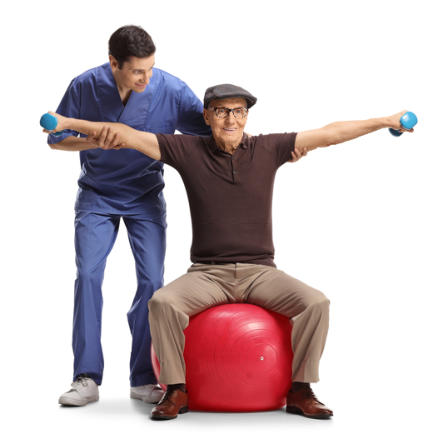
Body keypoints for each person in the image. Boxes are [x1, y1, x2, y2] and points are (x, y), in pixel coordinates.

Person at [44, 84, 413, 419]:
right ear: (206, 117)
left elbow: (330, 134)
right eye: (221, 111)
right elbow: (125, 135)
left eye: (238, 111)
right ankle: (175, 389)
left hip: (261, 274)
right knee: (162, 303)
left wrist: (385, 121)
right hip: (207, 274)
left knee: (316, 303)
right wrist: (66, 121)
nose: (231, 119)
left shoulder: (268, 149)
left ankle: (300, 390)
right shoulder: (186, 149)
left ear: (247, 116)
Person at [48, 25, 213, 407]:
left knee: (152, 280)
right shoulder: (85, 85)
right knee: (88, 275)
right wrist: (94, 140)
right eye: (137, 71)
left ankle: (143, 376)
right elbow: (56, 139)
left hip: (145, 196)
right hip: (97, 195)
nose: (146, 78)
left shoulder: (169, 89)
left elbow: (209, 131)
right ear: (114, 64)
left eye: (151, 69)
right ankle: (86, 377)